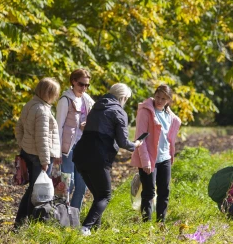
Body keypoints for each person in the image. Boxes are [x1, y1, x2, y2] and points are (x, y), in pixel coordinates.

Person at [73, 83, 143, 235]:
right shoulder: (118, 111)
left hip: (80, 156)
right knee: (105, 195)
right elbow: (124, 142)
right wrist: (136, 144)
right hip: (97, 157)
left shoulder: (96, 107)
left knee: (99, 195)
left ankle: (95, 229)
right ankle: (85, 228)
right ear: (123, 97)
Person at [14, 78, 62, 228]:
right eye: (54, 93)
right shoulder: (41, 110)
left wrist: (23, 144)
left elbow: (18, 128)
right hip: (39, 156)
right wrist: (45, 161)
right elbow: (42, 139)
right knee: (38, 192)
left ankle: (22, 222)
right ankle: (28, 223)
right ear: (48, 93)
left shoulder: (30, 105)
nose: (55, 97)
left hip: (29, 152)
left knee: (32, 189)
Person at [130, 84, 181, 222]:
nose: (159, 100)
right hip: (149, 159)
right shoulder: (145, 111)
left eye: (163, 98)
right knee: (149, 192)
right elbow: (140, 138)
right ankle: (147, 223)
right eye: (158, 97)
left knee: (164, 191)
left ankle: (161, 222)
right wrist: (145, 161)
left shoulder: (169, 115)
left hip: (165, 158)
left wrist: (171, 155)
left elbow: (170, 135)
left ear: (169, 100)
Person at [54, 69, 95, 210]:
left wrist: (88, 125)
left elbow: (97, 116)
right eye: (81, 84)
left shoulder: (87, 99)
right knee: (67, 184)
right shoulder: (65, 100)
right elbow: (58, 127)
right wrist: (57, 151)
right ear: (73, 81)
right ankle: (61, 215)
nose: (84, 88)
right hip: (68, 148)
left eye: (87, 85)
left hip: (83, 148)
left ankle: (74, 216)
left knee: (82, 184)